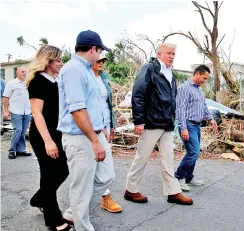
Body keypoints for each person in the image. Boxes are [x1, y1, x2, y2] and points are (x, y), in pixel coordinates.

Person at [57, 30, 115, 231]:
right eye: (99, 52)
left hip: (95, 133)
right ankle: (82, 226)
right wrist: (94, 139)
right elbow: (77, 109)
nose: (100, 56)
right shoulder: (74, 70)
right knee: (81, 187)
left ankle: (73, 213)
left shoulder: (87, 70)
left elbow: (94, 103)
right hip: (80, 137)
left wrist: (102, 130)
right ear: (93, 49)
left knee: (106, 176)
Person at [124, 43, 193, 205]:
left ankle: (173, 192)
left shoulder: (171, 74)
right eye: (168, 53)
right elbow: (138, 94)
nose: (171, 56)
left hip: (167, 124)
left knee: (168, 159)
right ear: (159, 54)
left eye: (173, 54)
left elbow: (171, 99)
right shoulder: (150, 69)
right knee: (142, 157)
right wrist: (139, 121)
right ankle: (130, 190)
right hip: (151, 122)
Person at [27, 45, 73, 231]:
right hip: (43, 135)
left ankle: (40, 198)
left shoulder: (55, 80)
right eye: (59, 60)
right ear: (48, 61)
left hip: (57, 133)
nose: (61, 63)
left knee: (61, 170)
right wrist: (48, 141)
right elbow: (37, 113)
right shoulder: (37, 81)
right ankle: (53, 219)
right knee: (50, 173)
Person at [175, 64, 218, 191]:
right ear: (197, 74)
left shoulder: (199, 90)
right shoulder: (184, 88)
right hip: (188, 124)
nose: (205, 81)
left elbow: (203, 106)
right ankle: (179, 177)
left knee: (194, 152)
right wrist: (183, 127)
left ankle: (188, 177)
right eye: (204, 78)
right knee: (194, 151)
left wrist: (211, 119)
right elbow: (180, 109)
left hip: (197, 125)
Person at [91, 51, 122, 213]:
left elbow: (108, 104)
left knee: (103, 165)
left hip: (105, 125)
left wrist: (111, 125)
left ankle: (103, 197)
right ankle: (103, 196)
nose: (101, 62)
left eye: (103, 60)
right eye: (98, 59)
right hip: (90, 127)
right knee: (94, 165)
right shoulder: (85, 77)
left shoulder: (104, 78)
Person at [2, 67, 32, 159]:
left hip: (27, 111)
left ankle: (21, 150)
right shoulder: (11, 84)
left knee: (22, 132)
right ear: (17, 72)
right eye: (22, 71)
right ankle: (12, 150)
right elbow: (5, 98)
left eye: (26, 72)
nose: (24, 73)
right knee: (17, 130)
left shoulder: (28, 83)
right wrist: (6, 111)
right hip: (15, 111)